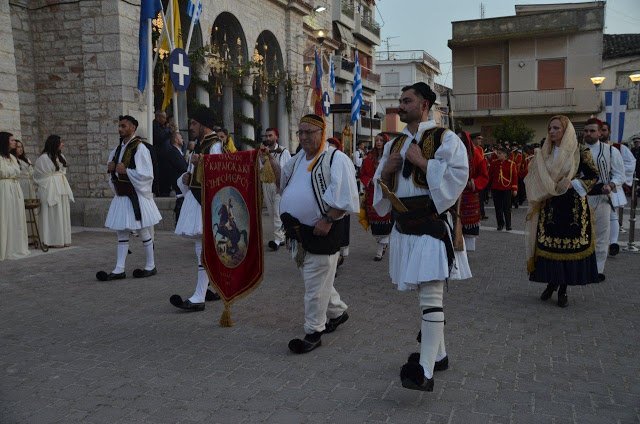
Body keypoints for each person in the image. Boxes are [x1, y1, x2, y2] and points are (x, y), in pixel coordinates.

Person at [373, 82, 471, 392]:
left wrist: (421, 161)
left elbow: (458, 177)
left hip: (430, 224)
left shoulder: (446, 138)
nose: (400, 106)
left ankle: (425, 371)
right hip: (404, 227)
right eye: (400, 101)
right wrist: (386, 170)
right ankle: (438, 354)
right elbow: (382, 187)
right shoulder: (394, 144)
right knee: (423, 297)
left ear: (424, 104)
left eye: (407, 101)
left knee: (430, 295)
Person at [268, 114, 359, 354]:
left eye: (310, 132)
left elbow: (346, 195)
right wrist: (270, 161)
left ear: (322, 132)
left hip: (322, 232)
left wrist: (328, 219)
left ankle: (313, 331)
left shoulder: (335, 159)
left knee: (314, 286)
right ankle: (337, 313)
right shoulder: (297, 159)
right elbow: (282, 184)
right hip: (298, 234)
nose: (305, 137)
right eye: (301, 132)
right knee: (317, 280)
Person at [525, 115, 600, 307]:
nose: (552, 132)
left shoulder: (579, 151)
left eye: (556, 128)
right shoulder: (545, 151)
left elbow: (593, 176)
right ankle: (552, 283)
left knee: (569, 248)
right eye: (550, 128)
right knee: (549, 246)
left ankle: (563, 288)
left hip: (572, 206)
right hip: (550, 204)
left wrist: (573, 182)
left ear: (565, 130)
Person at [170, 107, 223, 311]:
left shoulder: (215, 145)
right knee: (202, 248)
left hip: (206, 202)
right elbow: (197, 174)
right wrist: (187, 177)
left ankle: (199, 296)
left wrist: (201, 163)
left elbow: (220, 174)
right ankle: (211, 289)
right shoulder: (202, 144)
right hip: (197, 197)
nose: (190, 127)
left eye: (193, 123)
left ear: (203, 124)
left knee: (203, 249)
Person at [96, 116, 161, 281]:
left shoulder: (140, 148)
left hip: (136, 195)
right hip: (122, 195)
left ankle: (150, 265)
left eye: (123, 126)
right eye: (119, 126)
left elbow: (147, 174)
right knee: (122, 232)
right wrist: (111, 168)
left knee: (143, 229)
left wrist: (126, 171)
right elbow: (115, 172)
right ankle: (119, 269)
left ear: (133, 128)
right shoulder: (118, 149)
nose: (120, 129)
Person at [583, 118, 625, 281]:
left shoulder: (610, 151)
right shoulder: (576, 151)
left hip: (602, 197)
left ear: (600, 132)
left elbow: (620, 173)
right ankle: (582, 267)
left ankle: (598, 269)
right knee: (582, 234)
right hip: (582, 197)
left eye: (592, 131)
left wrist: (612, 185)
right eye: (586, 131)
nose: (588, 134)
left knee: (601, 234)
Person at [601, 122, 636, 255]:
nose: (602, 133)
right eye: (600, 130)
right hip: (594, 186)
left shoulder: (618, 148)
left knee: (612, 214)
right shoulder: (588, 148)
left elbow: (630, 162)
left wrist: (616, 175)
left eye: (604, 130)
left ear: (609, 132)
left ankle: (613, 242)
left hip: (612, 185)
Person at [33, 135, 74, 248]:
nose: (63, 144)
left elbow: (62, 171)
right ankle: (51, 239)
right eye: (61, 142)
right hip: (49, 189)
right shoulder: (43, 158)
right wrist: (51, 181)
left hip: (61, 187)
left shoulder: (60, 156)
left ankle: (63, 238)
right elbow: (37, 175)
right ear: (54, 143)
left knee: (62, 212)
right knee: (52, 214)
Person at [360, 133, 394, 260]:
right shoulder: (369, 158)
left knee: (385, 217)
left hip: (386, 191)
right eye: (377, 140)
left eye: (381, 140)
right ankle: (382, 244)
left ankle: (380, 249)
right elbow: (363, 173)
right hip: (373, 192)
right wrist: (370, 181)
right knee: (375, 219)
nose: (378, 142)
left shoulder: (390, 157)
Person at [261, 127, 291, 251]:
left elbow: (286, 169)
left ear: (276, 137)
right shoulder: (262, 152)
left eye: (270, 135)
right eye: (266, 136)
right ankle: (282, 236)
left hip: (278, 183)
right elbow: (259, 168)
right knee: (272, 212)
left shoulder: (283, 151)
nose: (268, 138)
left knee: (277, 211)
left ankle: (277, 240)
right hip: (266, 183)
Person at [0, 132, 29, 260]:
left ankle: (15, 246)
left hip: (14, 187)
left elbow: (16, 171)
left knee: (15, 216)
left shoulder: (11, 157)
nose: (14, 142)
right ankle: (5, 248)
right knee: (5, 216)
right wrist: (12, 172)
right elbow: (3, 172)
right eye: (12, 140)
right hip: (4, 188)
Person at [458, 131, 489, 251]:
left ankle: (467, 249)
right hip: (455, 193)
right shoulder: (452, 153)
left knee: (468, 222)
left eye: (461, 139)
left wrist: (473, 183)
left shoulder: (476, 154)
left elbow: (484, 175)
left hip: (469, 192)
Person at [327, 137, 354, 266]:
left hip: (339, 204)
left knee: (338, 232)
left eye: (333, 147)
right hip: (327, 202)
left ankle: (337, 258)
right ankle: (335, 260)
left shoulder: (342, 159)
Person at [488, 146, 518, 231]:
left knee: (507, 207)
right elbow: (489, 175)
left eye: (500, 153)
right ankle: (500, 224)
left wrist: (514, 188)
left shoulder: (511, 164)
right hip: (496, 188)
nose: (498, 155)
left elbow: (514, 177)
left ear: (505, 154)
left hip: (506, 188)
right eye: (498, 153)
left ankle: (508, 224)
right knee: (498, 207)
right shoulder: (494, 163)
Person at [470, 133, 489, 219]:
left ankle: (482, 213)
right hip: (473, 175)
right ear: (473, 140)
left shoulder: (480, 149)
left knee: (481, 197)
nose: (480, 141)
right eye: (478, 139)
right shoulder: (470, 149)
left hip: (480, 175)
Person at [509, 142, 528, 207]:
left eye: (515, 146)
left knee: (519, 188)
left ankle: (519, 200)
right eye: (512, 146)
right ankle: (513, 201)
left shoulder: (521, 155)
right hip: (512, 174)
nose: (513, 147)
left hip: (519, 174)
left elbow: (524, 164)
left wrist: (521, 172)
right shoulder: (510, 154)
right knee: (512, 188)